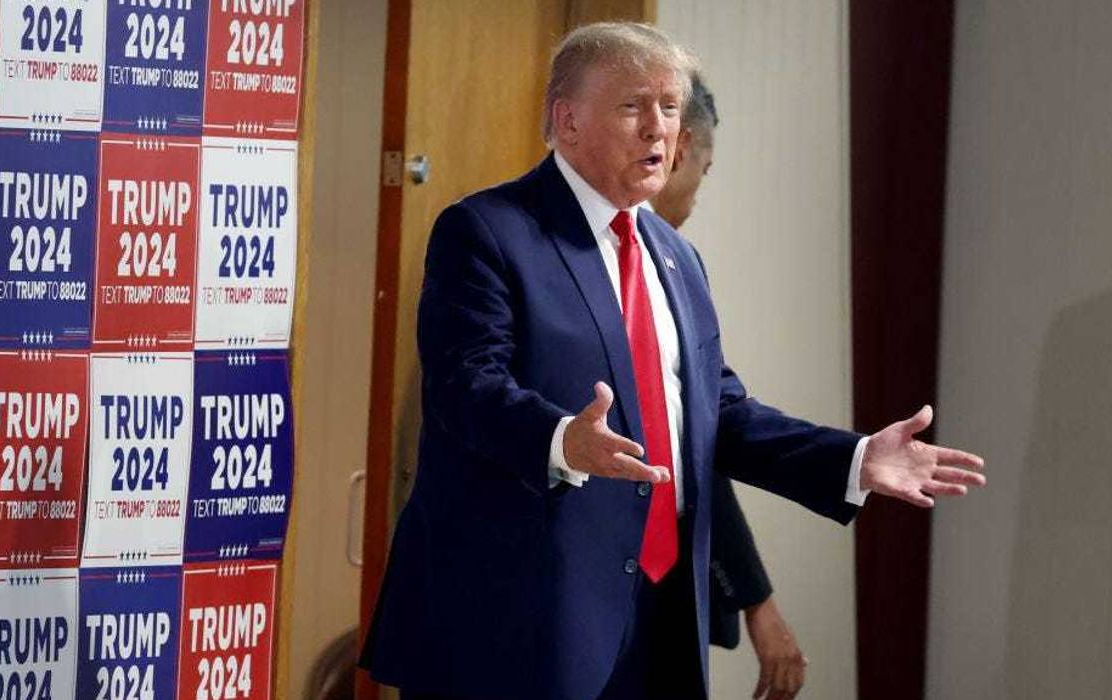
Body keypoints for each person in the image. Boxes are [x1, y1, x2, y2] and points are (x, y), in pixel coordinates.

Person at [360, 22, 984, 700]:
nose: (659, 129)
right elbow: (464, 386)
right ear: (566, 121)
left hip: (661, 615)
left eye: (669, 107)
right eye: (633, 106)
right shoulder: (488, 231)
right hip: (520, 619)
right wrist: (560, 439)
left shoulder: (676, 256)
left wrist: (852, 459)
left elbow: (720, 413)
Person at [648, 75, 807, 700]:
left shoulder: (678, 264)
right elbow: (691, 451)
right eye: (705, 172)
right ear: (682, 149)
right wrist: (759, 600)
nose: (697, 193)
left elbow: (711, 425)